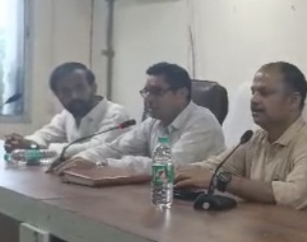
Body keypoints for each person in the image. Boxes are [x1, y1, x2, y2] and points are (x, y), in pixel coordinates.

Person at [174, 62, 307, 218]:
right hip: (269, 231)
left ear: (293, 101)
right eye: (253, 92)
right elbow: (211, 168)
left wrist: (221, 180)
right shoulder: (255, 139)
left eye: (264, 93)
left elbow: (292, 195)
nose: (254, 100)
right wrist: (170, 171)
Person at [54, 62, 225, 174]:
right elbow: (116, 149)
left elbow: (168, 167)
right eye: (146, 92)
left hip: (199, 204)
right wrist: (82, 159)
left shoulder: (202, 123)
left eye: (156, 92)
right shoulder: (154, 123)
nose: (148, 99)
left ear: (181, 94)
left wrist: (102, 164)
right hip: (161, 195)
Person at [4, 62, 130, 158]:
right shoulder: (68, 114)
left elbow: (97, 150)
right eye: (65, 91)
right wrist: (24, 143)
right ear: (57, 95)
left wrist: (41, 148)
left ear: (93, 87)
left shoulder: (115, 114)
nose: (74, 96)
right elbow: (44, 135)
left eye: (79, 88)